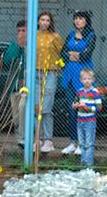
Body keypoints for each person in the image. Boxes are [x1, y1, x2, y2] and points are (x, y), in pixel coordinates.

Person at [60, 11, 96, 156]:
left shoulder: (91, 35)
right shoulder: (70, 34)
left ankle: (83, 143)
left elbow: (87, 55)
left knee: (83, 110)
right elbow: (62, 53)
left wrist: (72, 54)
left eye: (81, 18)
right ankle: (72, 142)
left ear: (86, 21)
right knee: (71, 110)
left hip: (83, 76)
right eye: (76, 18)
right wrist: (76, 55)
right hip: (69, 74)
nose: (77, 21)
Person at [35, 11, 64, 153]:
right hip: (35, 72)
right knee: (35, 106)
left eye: (47, 20)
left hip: (50, 72)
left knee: (46, 107)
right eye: (42, 19)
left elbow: (62, 52)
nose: (45, 22)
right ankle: (37, 138)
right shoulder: (33, 35)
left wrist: (59, 66)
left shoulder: (55, 37)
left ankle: (48, 140)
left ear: (50, 22)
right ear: (38, 21)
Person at [3, 20, 27, 146]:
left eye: (24, 30)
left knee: (23, 108)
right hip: (15, 87)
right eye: (19, 31)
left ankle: (24, 139)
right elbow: (8, 62)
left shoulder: (32, 47)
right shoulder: (13, 46)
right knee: (16, 116)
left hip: (26, 88)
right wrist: (18, 47)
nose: (21, 33)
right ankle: (19, 139)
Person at [73, 68, 101, 167]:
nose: (87, 81)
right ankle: (83, 163)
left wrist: (87, 108)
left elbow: (99, 107)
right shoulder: (79, 92)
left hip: (90, 121)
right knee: (81, 143)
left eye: (89, 78)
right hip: (80, 121)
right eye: (85, 79)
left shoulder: (95, 92)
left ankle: (89, 164)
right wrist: (75, 106)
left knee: (89, 143)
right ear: (81, 80)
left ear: (93, 80)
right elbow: (75, 103)